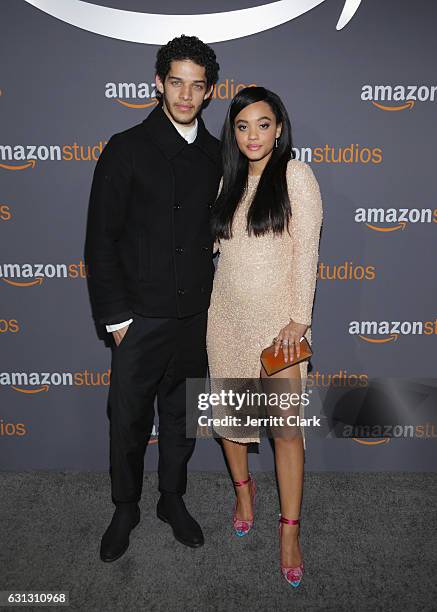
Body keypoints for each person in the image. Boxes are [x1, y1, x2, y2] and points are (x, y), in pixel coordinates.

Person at [84, 35, 221, 562]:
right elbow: (101, 237)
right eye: (176, 82)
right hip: (140, 317)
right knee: (128, 419)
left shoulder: (215, 153)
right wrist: (117, 319)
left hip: (195, 316)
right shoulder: (126, 147)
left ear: (208, 92)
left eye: (196, 85)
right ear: (159, 83)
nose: (185, 95)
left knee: (182, 417)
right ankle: (126, 506)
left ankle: (171, 499)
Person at [207, 86, 323, 587]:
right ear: (233, 132)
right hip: (226, 319)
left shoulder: (296, 176)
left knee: (286, 431)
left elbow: (307, 251)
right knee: (231, 420)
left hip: (279, 328)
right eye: (242, 125)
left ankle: (290, 532)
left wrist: (298, 319)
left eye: (263, 123)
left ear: (279, 128)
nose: (253, 135)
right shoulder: (226, 181)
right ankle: (244, 493)